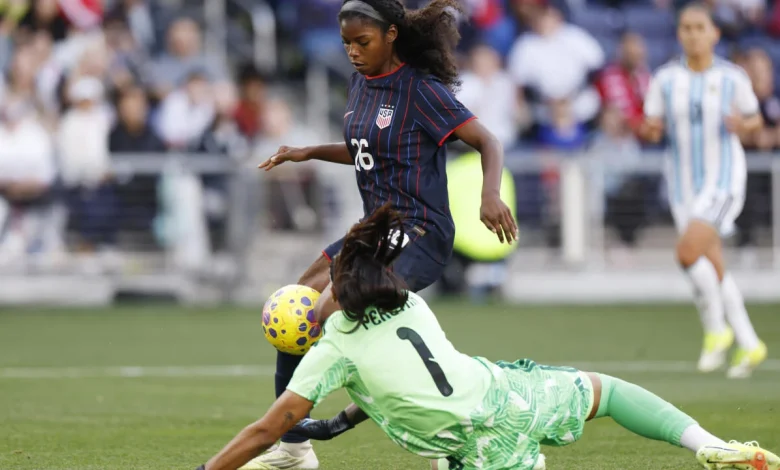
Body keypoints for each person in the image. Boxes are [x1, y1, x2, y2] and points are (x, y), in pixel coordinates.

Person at [196, 206, 780, 470]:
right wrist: (342, 424)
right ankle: (706, 444)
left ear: (341, 295)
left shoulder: (333, 350)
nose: (318, 291)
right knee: (611, 391)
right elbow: (400, 382)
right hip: (508, 394)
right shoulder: (411, 303)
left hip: (474, 447)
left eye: (327, 286)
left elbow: (268, 428)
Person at [252, 1, 518, 468]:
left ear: (392, 35)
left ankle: (446, 429)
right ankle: (293, 449)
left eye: (362, 42)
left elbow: (487, 141)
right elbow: (367, 149)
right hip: (373, 232)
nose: (353, 53)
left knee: (335, 305)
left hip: (420, 230)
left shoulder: (420, 90)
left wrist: (489, 194)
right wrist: (308, 151)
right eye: (346, 44)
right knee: (293, 308)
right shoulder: (361, 82)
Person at [640, 3, 767, 378]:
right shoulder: (664, 79)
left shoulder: (732, 77)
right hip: (682, 185)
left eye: (700, 27)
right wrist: (649, 131)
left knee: (687, 252)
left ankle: (716, 331)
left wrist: (743, 125)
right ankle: (749, 343)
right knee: (712, 264)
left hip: (723, 180)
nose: (693, 34)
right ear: (679, 34)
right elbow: (651, 124)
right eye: (686, 28)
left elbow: (755, 118)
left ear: (715, 33)